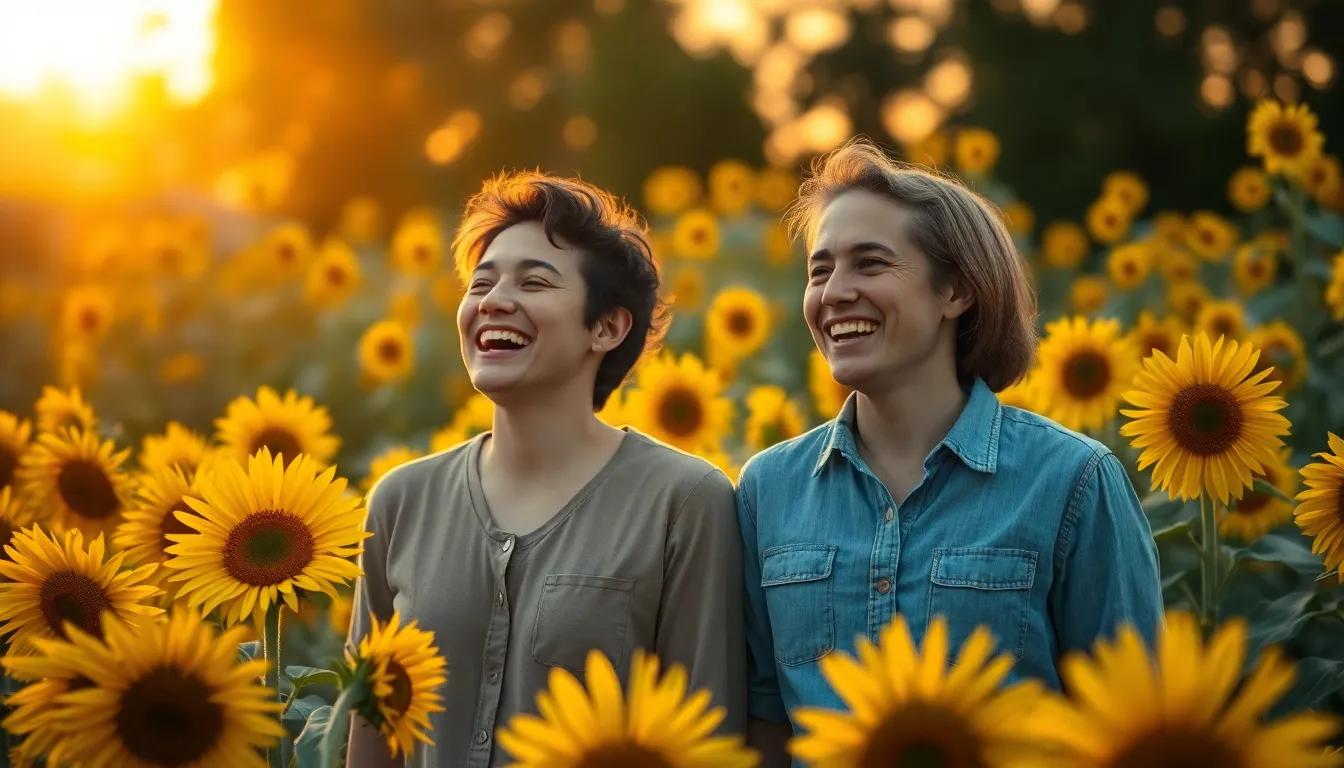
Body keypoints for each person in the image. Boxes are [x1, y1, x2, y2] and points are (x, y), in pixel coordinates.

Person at [737, 138, 1162, 765]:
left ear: (955, 292)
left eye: (871, 264)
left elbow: (1135, 721)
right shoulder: (767, 489)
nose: (834, 293)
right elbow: (765, 722)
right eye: (819, 270)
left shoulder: (1072, 482)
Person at [347, 171, 746, 767]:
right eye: (481, 283)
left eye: (534, 282)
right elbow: (371, 735)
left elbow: (704, 738)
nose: (493, 301)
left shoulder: (684, 502)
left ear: (606, 327)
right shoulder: (403, 501)